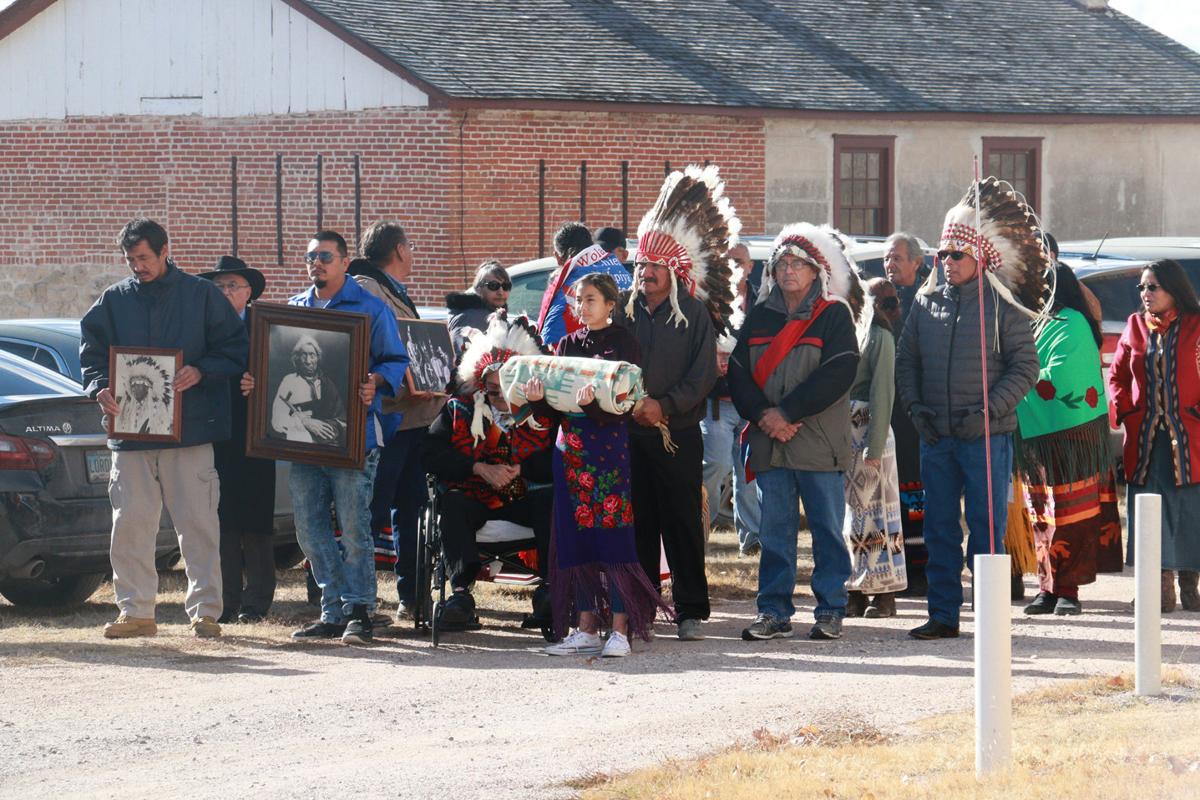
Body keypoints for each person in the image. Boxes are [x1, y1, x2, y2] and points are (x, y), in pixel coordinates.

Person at [81, 218, 248, 639]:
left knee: (198, 524)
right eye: (130, 259)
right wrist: (99, 386)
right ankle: (136, 612)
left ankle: (206, 613)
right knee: (130, 525)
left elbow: (236, 349)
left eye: (144, 258)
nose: (138, 266)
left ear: (164, 251)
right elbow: (92, 354)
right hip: (131, 434)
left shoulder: (203, 296)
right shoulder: (112, 301)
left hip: (191, 430)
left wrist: (201, 370)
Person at [244, 230, 409, 645]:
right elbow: (272, 366)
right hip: (301, 444)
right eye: (310, 257)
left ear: (344, 260)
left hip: (355, 439)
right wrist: (255, 382)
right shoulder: (294, 311)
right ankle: (331, 609)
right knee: (309, 528)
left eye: (325, 256)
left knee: (354, 527)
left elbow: (395, 360)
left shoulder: (370, 309)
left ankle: (360, 609)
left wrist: (376, 380)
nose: (316, 263)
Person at [896, 179, 1043, 639]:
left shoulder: (1004, 306)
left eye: (956, 255)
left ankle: (991, 618)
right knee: (939, 529)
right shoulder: (925, 302)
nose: (947, 262)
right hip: (937, 435)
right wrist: (916, 408)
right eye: (942, 255)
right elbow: (906, 361)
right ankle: (943, 614)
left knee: (987, 530)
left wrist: (988, 411)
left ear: (979, 257)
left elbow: (1026, 367)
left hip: (986, 435)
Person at [614, 165, 738, 640]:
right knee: (638, 521)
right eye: (642, 267)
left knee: (682, 522)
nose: (645, 275)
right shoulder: (623, 311)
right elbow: (609, 364)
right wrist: (630, 405)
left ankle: (689, 610)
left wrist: (662, 407)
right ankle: (643, 609)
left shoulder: (694, 317)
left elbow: (703, 375)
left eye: (654, 269)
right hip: (628, 433)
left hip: (675, 434)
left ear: (673, 272)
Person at [524, 273, 672, 657]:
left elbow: (624, 406)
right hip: (569, 451)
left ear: (610, 304)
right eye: (577, 300)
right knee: (575, 538)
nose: (582, 306)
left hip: (607, 454)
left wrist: (592, 406)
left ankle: (620, 630)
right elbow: (557, 405)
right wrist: (538, 400)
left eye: (590, 299)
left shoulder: (624, 343)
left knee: (613, 537)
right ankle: (586, 626)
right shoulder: (566, 344)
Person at [729, 223, 860, 641]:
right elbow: (737, 373)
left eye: (797, 264)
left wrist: (785, 412)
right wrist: (766, 416)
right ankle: (773, 611)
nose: (788, 271)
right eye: (781, 263)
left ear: (815, 271)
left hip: (818, 441)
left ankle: (830, 609)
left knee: (826, 528)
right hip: (771, 442)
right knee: (775, 532)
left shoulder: (834, 315)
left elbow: (839, 372)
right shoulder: (760, 316)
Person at [423, 312, 555, 629]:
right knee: (451, 503)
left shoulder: (541, 413)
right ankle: (459, 595)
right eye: (494, 391)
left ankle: (552, 590)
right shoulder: (460, 409)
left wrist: (521, 468)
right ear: (482, 385)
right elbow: (430, 453)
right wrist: (477, 467)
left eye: (509, 389)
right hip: (476, 498)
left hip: (525, 497)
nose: (501, 398)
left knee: (552, 501)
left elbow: (558, 459)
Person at [350, 221, 447, 619]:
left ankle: (413, 598)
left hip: (411, 420)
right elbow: (380, 350)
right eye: (411, 247)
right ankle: (359, 601)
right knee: (371, 511)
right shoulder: (367, 288)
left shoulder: (388, 290)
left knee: (411, 511)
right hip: (385, 421)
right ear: (400, 250)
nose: (414, 254)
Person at [1016, 265, 1117, 616]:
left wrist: (1015, 377)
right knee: (1040, 512)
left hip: (1073, 436)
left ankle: (1069, 590)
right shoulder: (1034, 321)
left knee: (1072, 512)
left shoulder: (1072, 322)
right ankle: (1046, 586)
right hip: (1036, 437)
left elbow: (1060, 377)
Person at [1109, 259, 1200, 613]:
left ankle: (1190, 583)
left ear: (1173, 289)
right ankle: (1156, 586)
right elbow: (1117, 378)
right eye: (1141, 288)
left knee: (1188, 508)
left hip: (1190, 437)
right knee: (1148, 507)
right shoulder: (1134, 326)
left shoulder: (1196, 325)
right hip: (1146, 438)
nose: (1145, 294)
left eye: (1152, 287)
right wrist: (1128, 412)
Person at [198, 256, 277, 624]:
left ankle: (257, 601)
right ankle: (226, 602)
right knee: (222, 518)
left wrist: (261, 382)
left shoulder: (267, 326)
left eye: (232, 285)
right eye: (219, 287)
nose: (226, 292)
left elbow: (285, 374)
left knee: (257, 518)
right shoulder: (201, 326)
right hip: (217, 431)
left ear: (248, 292)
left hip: (259, 432)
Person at [844, 278, 907, 619]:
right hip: (847, 432)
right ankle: (855, 588)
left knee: (880, 515)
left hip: (871, 430)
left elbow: (883, 392)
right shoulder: (854, 333)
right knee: (854, 517)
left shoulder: (881, 338)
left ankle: (884, 594)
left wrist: (874, 445)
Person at [702, 242, 761, 555]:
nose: (735, 266)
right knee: (714, 465)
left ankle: (751, 538)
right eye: (729, 261)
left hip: (750, 400)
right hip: (717, 401)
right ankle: (699, 527)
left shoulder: (763, 300)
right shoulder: (709, 300)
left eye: (740, 261)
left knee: (748, 472)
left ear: (751, 266)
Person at [882, 231, 931, 596]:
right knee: (890, 492)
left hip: (919, 412)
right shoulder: (881, 300)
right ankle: (894, 564)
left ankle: (920, 568)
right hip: (888, 412)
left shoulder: (930, 299)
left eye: (897, 257)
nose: (890, 264)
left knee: (916, 491)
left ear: (916, 261)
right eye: (887, 258)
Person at [537, 222, 633, 348]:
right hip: (630, 352)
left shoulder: (569, 283)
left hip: (590, 359)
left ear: (558, 257)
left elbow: (550, 339)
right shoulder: (619, 269)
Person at [270, 335, 347, 446]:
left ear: (318, 358)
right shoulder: (289, 381)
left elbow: (341, 419)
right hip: (299, 442)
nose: (308, 361)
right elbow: (276, 421)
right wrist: (305, 422)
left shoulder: (327, 384)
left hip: (327, 445)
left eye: (312, 355)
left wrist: (324, 428)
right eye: (304, 355)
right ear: (297, 358)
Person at [446, 260, 510, 353]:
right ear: (479, 288)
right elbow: (462, 360)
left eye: (505, 286)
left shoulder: (493, 313)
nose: (501, 291)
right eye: (493, 285)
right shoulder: (472, 317)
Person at [113, 368, 172, 435]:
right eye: (133, 386)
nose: (134, 389)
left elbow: (164, 428)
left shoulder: (159, 406)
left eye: (138, 386)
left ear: (147, 388)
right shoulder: (126, 406)